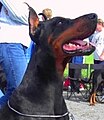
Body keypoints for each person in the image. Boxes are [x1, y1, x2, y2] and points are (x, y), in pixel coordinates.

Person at [0, 0, 32, 109]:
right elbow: (20, 14)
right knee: (18, 89)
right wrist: (29, 12)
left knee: (18, 89)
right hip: (10, 41)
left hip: (20, 43)